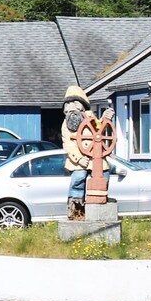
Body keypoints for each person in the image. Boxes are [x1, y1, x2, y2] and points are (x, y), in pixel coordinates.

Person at [59, 85, 93, 221]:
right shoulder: (66, 125)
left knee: (104, 176)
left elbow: (100, 128)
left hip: (94, 157)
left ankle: (96, 204)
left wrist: (107, 117)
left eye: (75, 103)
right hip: (78, 160)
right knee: (79, 178)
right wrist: (79, 158)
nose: (71, 107)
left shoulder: (91, 119)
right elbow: (68, 144)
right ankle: (75, 208)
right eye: (68, 104)